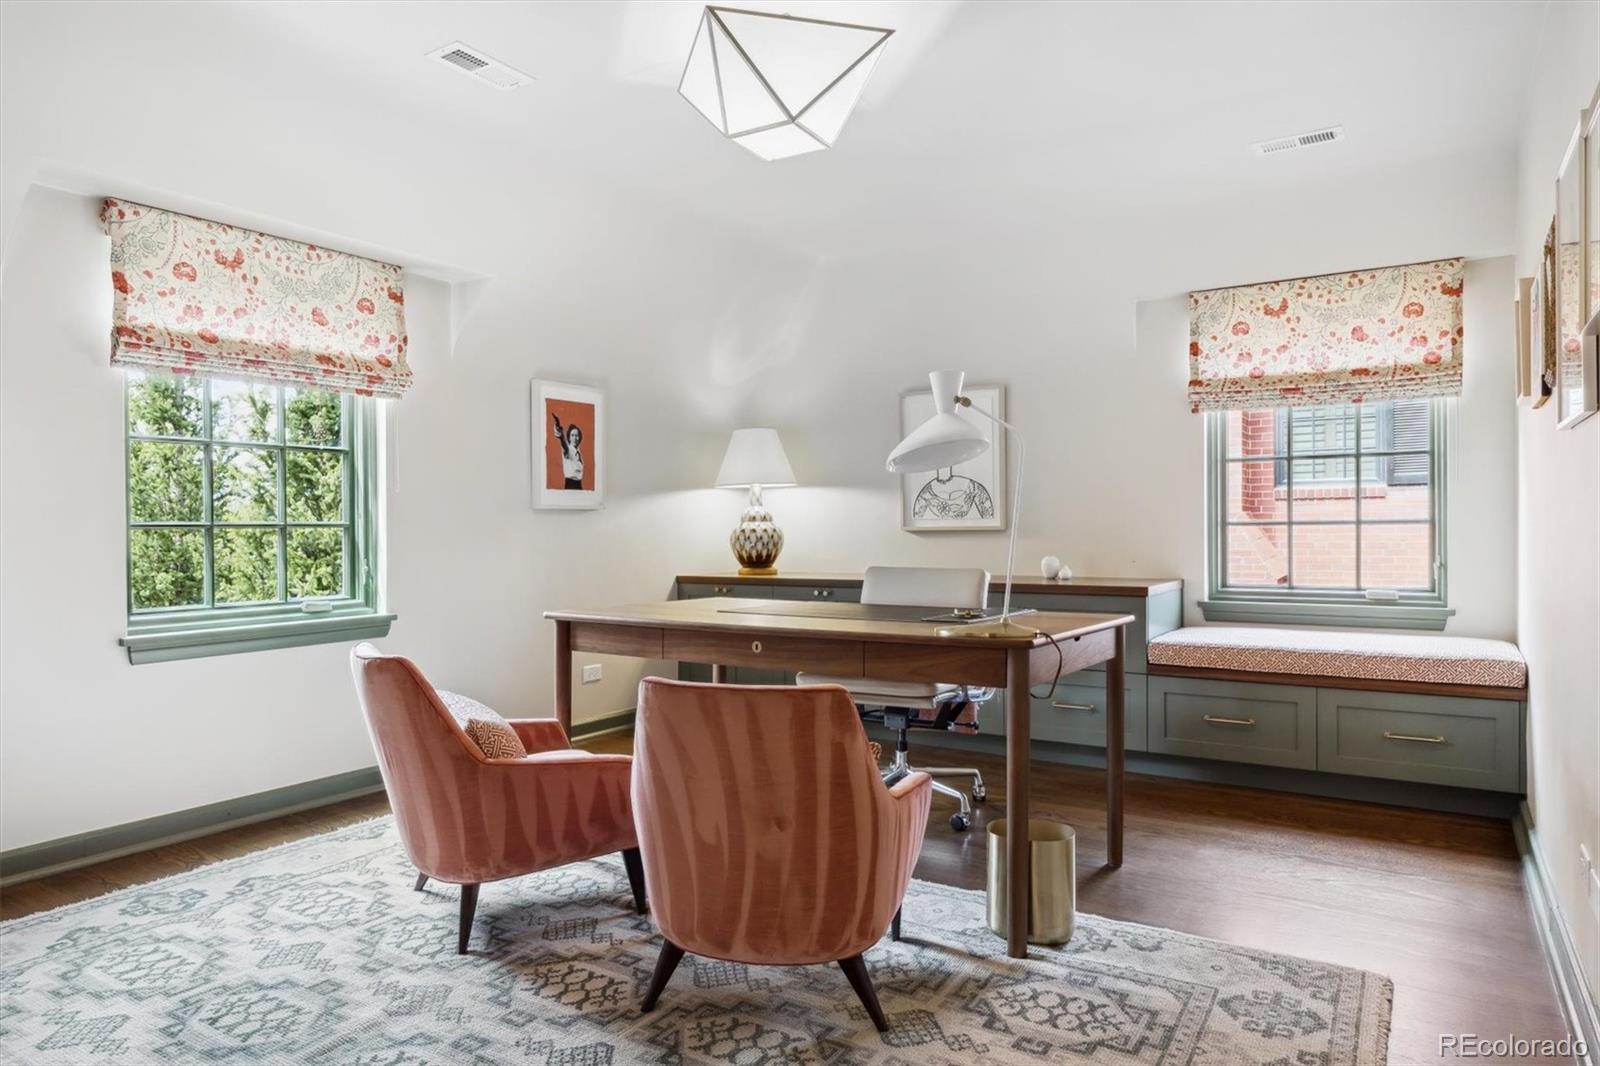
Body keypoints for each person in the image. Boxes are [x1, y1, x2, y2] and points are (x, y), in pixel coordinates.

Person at [552, 412, 585, 490]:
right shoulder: (569, 449)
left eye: (577, 435)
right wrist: (561, 436)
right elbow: (564, 446)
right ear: (569, 437)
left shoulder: (578, 452)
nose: (574, 438)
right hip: (570, 485)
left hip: (579, 485)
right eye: (572, 435)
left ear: (579, 437)